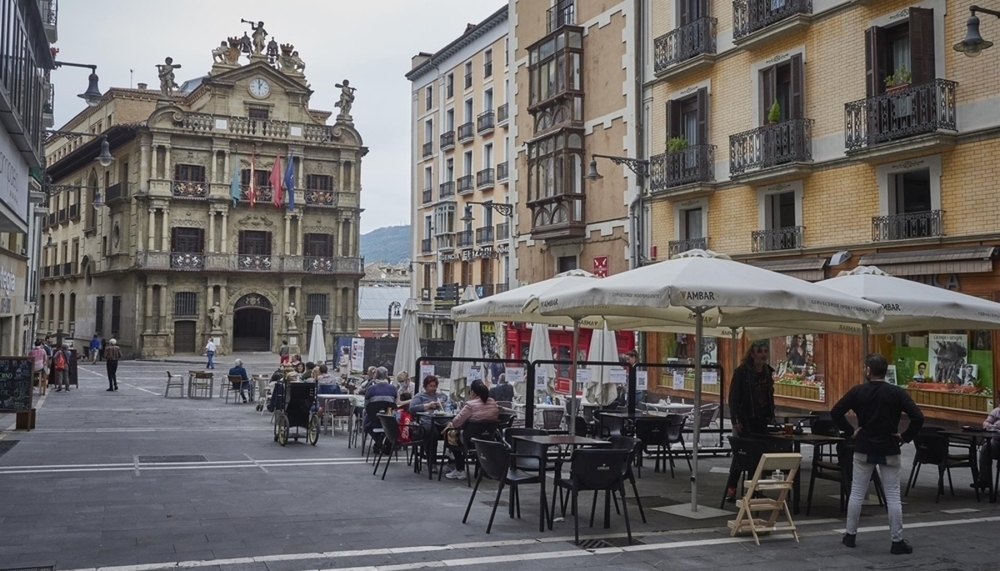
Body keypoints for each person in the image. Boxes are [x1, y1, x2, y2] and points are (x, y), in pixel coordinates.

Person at [832, 353, 924, 555]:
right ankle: (897, 540)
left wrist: (850, 431)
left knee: (856, 492)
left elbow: (836, 411)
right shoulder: (896, 393)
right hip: (890, 447)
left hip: (864, 446)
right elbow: (918, 417)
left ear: (868, 370)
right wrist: (904, 436)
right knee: (893, 496)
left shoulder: (858, 391)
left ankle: (850, 535)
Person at [724, 340, 776, 502]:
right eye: (759, 351)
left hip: (762, 419)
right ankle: (732, 488)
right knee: (742, 455)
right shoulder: (742, 372)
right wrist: (735, 419)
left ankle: (754, 489)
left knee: (760, 455)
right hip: (745, 418)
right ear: (752, 354)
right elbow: (733, 398)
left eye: (765, 351)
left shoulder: (768, 372)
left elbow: (768, 396)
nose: (763, 355)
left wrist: (771, 415)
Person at [443, 380, 498, 480]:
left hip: (470, 441)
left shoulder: (470, 405)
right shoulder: (492, 402)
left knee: (450, 435)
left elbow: (456, 423)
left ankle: (459, 469)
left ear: (473, 392)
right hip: (488, 439)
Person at [409, 375, 452, 473]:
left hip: (442, 420)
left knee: (453, 431)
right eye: (430, 386)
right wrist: (427, 406)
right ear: (425, 387)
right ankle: (432, 462)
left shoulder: (441, 395)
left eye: (435, 386)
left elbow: (452, 404)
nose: (433, 388)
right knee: (431, 433)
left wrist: (445, 404)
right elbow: (412, 408)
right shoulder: (419, 396)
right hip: (427, 421)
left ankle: (453, 461)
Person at [973, 405, 1000, 490]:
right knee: (986, 448)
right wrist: (988, 426)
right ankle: (984, 479)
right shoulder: (996, 411)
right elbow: (986, 422)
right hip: (996, 441)